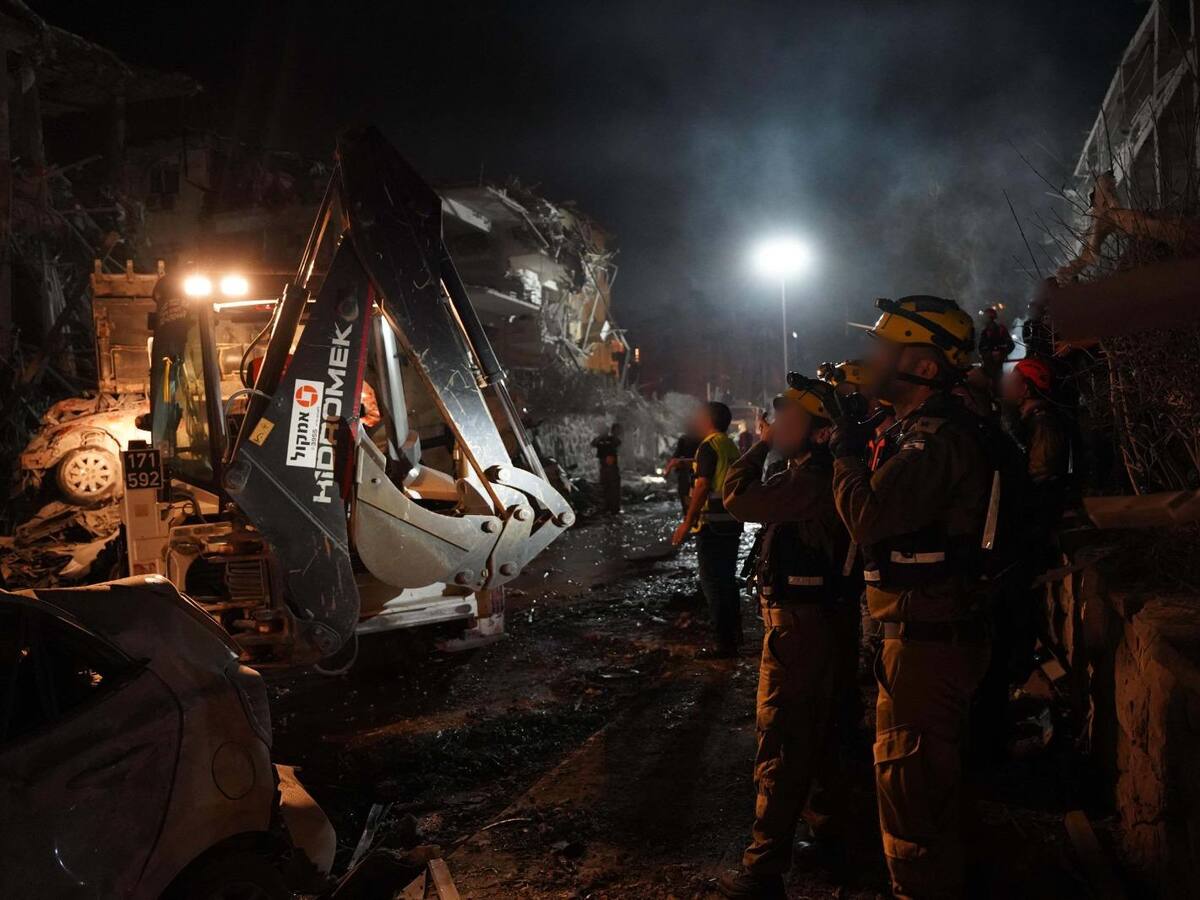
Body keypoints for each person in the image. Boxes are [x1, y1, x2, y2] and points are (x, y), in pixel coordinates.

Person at [829, 295, 992, 900]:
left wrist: (844, 453)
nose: (871, 358)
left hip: (928, 643)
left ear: (923, 366)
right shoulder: (914, 432)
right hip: (917, 635)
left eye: (885, 348)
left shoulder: (936, 439)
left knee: (912, 798)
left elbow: (868, 517)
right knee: (918, 789)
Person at [717, 377, 851, 898]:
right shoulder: (810, 473)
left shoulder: (812, 478)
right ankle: (830, 840)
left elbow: (738, 497)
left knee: (783, 738)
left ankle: (763, 868)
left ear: (819, 432)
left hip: (800, 627)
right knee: (827, 731)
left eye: (790, 420)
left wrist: (759, 447)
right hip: (818, 620)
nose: (777, 426)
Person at [671, 401, 743, 658]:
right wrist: (685, 462)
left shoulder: (708, 446)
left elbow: (702, 486)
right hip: (730, 522)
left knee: (712, 583)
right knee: (727, 580)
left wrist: (686, 523)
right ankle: (735, 635)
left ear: (708, 420)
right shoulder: (728, 445)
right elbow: (714, 466)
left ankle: (724, 644)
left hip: (712, 525)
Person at [977, 306, 1014, 391]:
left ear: (990, 318)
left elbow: (1011, 345)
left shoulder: (1001, 330)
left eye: (985, 317)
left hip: (998, 366)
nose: (983, 320)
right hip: (987, 365)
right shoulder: (984, 332)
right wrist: (989, 354)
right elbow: (981, 349)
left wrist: (1001, 354)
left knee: (998, 386)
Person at [664, 430, 700, 514]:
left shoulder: (684, 439)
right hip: (698, 475)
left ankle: (689, 515)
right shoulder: (704, 439)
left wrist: (667, 471)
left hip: (686, 475)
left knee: (687, 501)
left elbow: (674, 459)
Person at [592, 423, 622, 514]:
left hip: (612, 467)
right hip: (604, 467)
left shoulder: (612, 439)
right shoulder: (599, 440)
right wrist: (601, 438)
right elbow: (593, 443)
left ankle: (614, 508)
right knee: (605, 488)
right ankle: (607, 507)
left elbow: (617, 442)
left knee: (614, 489)